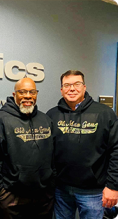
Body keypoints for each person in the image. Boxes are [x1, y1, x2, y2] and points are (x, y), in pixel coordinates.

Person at [46, 70, 118, 219]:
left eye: (76, 84)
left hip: (93, 192)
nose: (72, 88)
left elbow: (116, 150)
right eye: (67, 85)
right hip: (61, 190)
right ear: (61, 90)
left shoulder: (104, 113)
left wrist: (113, 186)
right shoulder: (52, 115)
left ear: (84, 87)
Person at [0, 78, 55, 219]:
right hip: (11, 197)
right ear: (14, 94)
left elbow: (53, 155)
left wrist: (50, 185)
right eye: (22, 92)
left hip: (43, 197)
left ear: (36, 94)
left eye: (32, 92)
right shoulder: (0, 120)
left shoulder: (45, 120)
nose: (28, 96)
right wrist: (0, 193)